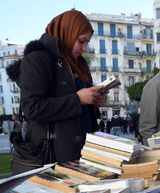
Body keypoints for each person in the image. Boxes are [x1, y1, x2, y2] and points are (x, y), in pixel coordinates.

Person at [12, 9, 106, 174]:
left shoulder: (76, 63)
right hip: (52, 158)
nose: (84, 48)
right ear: (67, 33)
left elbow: (74, 107)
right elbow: (32, 107)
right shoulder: (38, 58)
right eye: (81, 41)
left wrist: (92, 103)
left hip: (81, 155)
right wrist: (77, 100)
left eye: (87, 43)